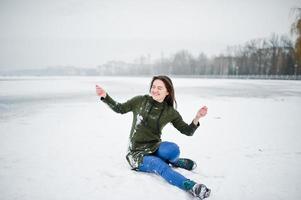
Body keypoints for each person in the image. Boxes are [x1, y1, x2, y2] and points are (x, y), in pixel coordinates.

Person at [95, 75, 211, 199]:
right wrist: (105, 96)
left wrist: (197, 117)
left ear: (168, 92)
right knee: (158, 164)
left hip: (154, 147)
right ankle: (191, 186)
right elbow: (120, 108)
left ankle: (176, 161)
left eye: (159, 88)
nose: (155, 90)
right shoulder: (140, 101)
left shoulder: (170, 112)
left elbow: (187, 131)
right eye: (153, 87)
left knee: (173, 149)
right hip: (136, 153)